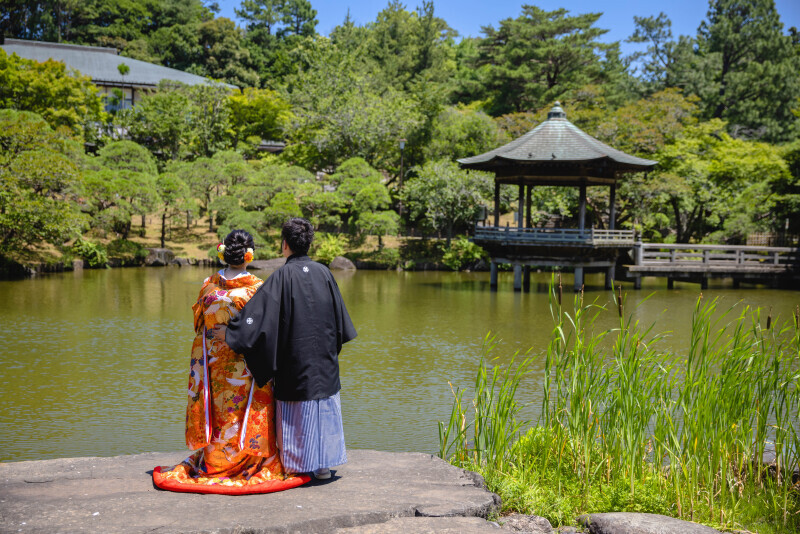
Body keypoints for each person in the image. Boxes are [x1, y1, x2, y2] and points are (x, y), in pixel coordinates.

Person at [153, 229, 309, 494]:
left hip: (213, 364)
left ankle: (214, 462)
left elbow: (198, 325)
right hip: (245, 365)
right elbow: (266, 331)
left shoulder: (208, 286)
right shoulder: (257, 289)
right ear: (249, 255)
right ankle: (246, 460)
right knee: (242, 411)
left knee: (217, 412)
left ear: (222, 252)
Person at [225, 218, 357, 480]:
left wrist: (231, 330)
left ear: (285, 245)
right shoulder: (325, 273)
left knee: (299, 412)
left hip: (295, 365)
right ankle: (323, 466)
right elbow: (341, 324)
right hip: (325, 364)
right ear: (309, 244)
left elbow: (256, 321)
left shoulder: (282, 277)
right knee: (325, 407)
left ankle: (300, 466)